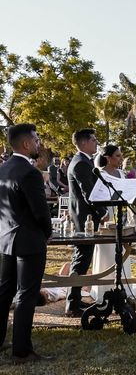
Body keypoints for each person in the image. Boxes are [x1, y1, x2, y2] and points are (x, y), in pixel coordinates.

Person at [0, 123, 54, 363]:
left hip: (5, 239)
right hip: (29, 241)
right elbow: (40, 212)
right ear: (25, 144)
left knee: (4, 292)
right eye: (35, 139)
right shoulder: (29, 172)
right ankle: (21, 350)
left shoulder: (3, 169)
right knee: (26, 294)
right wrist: (47, 232)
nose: (38, 143)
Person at [66, 128, 106, 317]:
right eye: (93, 140)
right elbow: (88, 193)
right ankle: (72, 304)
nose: (96, 142)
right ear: (83, 143)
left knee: (82, 258)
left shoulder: (85, 161)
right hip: (85, 219)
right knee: (81, 258)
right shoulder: (81, 163)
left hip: (86, 217)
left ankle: (73, 299)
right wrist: (103, 212)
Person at [90, 145, 134, 303]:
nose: (121, 158)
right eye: (117, 156)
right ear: (108, 158)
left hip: (120, 218)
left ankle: (123, 288)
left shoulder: (121, 174)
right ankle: (104, 291)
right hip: (105, 218)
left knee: (122, 252)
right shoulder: (99, 174)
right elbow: (95, 197)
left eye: (121, 155)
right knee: (107, 252)